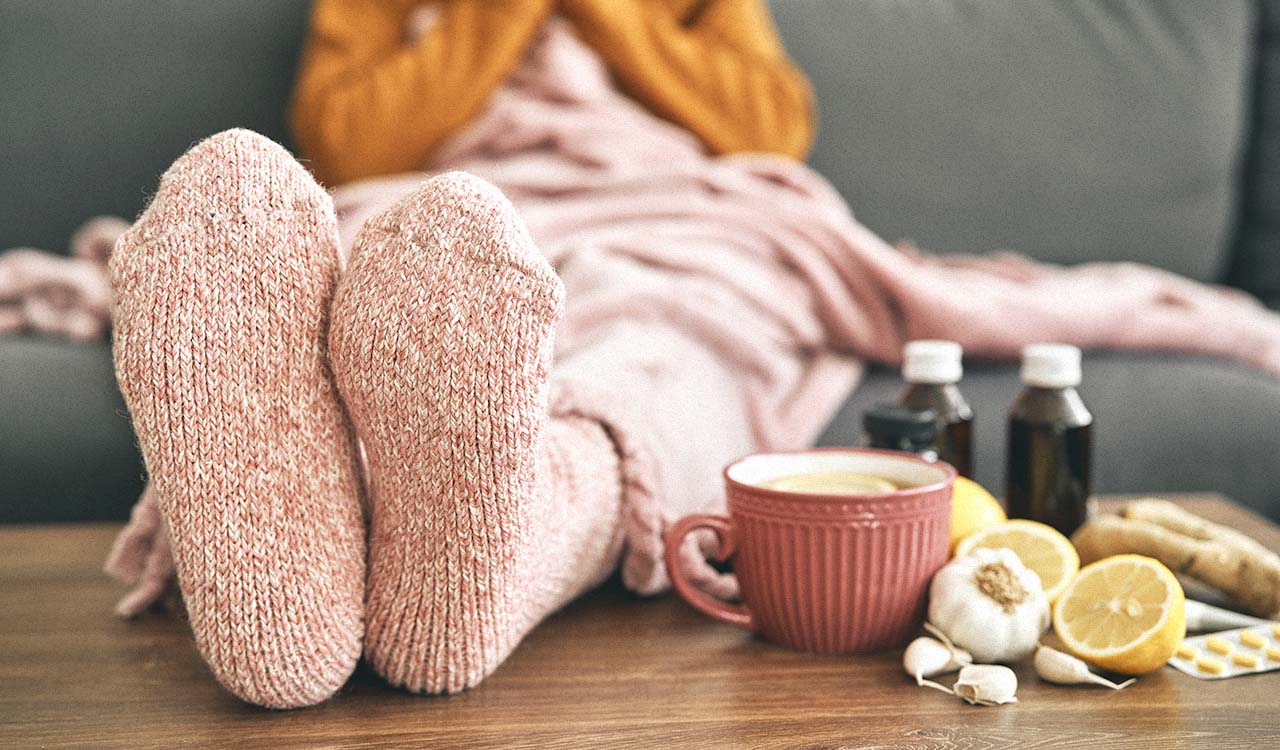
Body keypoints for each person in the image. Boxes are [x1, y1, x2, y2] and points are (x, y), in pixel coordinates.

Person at [85, 0, 1280, 712]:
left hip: (686, 211)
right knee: (396, 306)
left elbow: (765, 125)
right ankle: (339, 564)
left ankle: (461, 575)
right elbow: (349, 132)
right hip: (441, 200)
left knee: (664, 349)